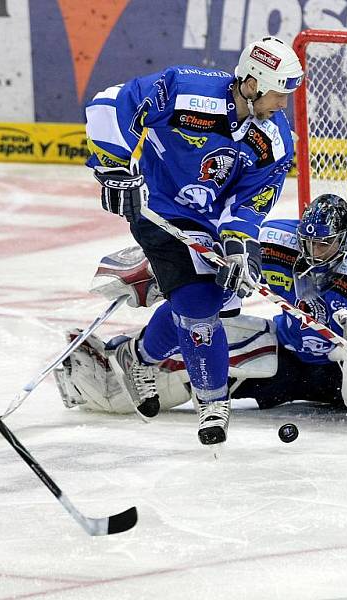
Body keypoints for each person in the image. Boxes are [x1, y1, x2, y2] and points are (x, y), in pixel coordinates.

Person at [55, 195, 347, 439]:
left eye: (325, 245)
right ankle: (117, 367)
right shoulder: (278, 243)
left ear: (346, 241)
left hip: (343, 375)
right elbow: (209, 250)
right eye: (309, 241)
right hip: (284, 356)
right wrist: (162, 268)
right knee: (201, 327)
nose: (313, 251)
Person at [83, 37, 304, 449]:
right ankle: (213, 404)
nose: (283, 105)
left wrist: (239, 242)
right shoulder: (187, 90)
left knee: (219, 299)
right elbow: (108, 102)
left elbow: (252, 197)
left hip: (208, 220)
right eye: (278, 94)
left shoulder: (272, 137)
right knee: (198, 305)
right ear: (253, 84)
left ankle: (139, 356)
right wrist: (113, 168)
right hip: (156, 204)